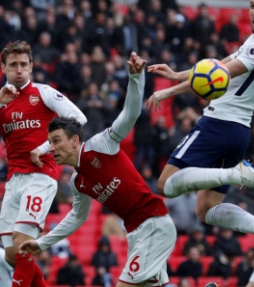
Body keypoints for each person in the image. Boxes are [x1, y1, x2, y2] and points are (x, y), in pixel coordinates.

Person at [20, 53, 213, 287]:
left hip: (153, 225)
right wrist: (42, 244)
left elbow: (130, 114)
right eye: (50, 142)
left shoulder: (101, 145)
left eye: (57, 140)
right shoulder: (78, 182)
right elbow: (76, 218)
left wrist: (135, 78)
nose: (52, 148)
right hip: (136, 234)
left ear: (74, 141)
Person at [146, 0, 254, 265]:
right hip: (239, 131)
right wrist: (176, 77)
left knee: (165, 185)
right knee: (206, 209)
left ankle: (235, 175)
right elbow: (217, 65)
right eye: (252, 5)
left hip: (217, 124)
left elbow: (216, 74)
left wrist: (170, 89)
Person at [0, 40, 87, 287]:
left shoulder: (44, 93)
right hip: (13, 181)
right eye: (13, 65)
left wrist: (45, 147)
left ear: (31, 67)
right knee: (13, 256)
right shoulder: (0, 101)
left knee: (22, 243)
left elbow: (79, 118)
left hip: (41, 177)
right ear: (3, 68)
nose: (18, 69)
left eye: (23, 64)